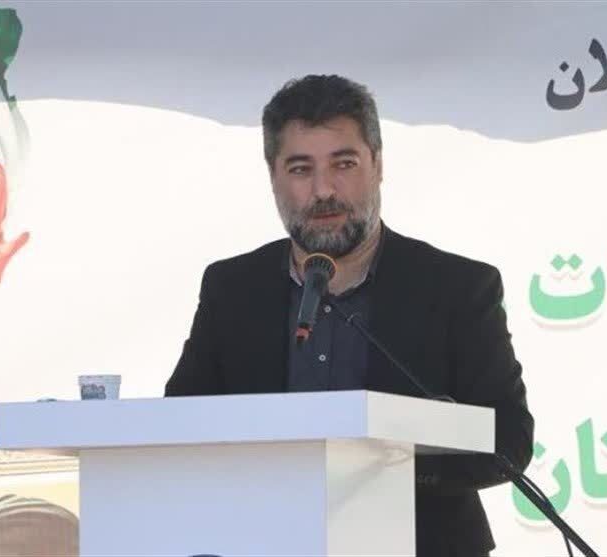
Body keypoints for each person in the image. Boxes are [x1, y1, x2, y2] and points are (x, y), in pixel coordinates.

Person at [165, 74, 534, 556]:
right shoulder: (233, 288)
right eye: (300, 169)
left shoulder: (457, 287)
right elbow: (180, 426)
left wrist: (388, 471)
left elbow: (508, 439)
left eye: (344, 164)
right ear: (273, 177)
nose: (323, 190)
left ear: (378, 164)